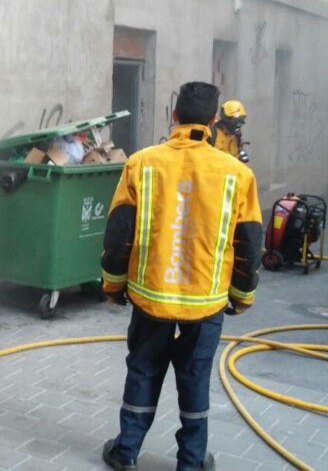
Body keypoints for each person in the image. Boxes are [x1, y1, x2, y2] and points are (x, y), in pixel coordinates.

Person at [99, 82, 262, 471]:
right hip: (206, 305)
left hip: (151, 297)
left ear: (174, 116)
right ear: (212, 120)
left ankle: (126, 452)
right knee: (194, 381)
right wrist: (241, 295)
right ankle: (191, 462)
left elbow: (119, 231)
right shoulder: (237, 174)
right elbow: (250, 242)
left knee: (142, 372)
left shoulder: (142, 163)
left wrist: (113, 285)